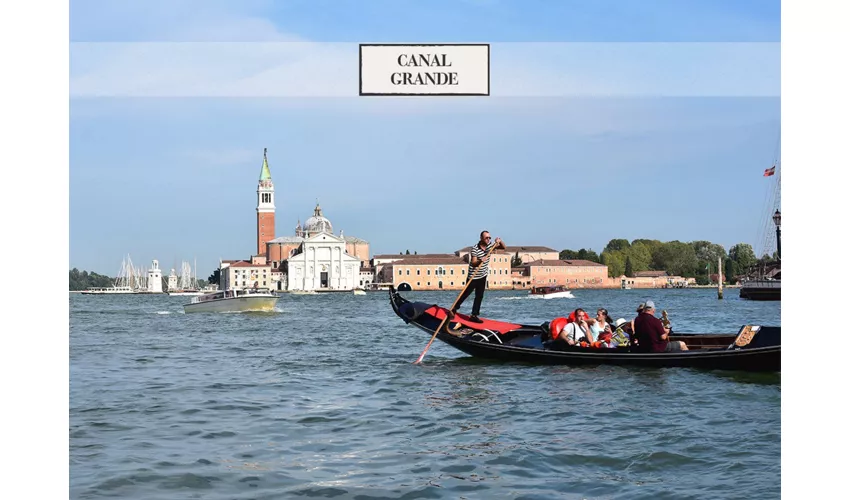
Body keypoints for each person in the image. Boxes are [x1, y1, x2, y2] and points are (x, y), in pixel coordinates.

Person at [450, 230, 505, 323]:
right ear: (481, 238)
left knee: (479, 296)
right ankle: (454, 309)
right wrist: (480, 260)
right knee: (465, 294)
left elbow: (503, 247)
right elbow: (474, 263)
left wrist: (499, 241)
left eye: (489, 238)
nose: (488, 239)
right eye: (486, 238)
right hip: (473, 276)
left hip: (482, 276)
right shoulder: (475, 248)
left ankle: (474, 315)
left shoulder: (491, 246)